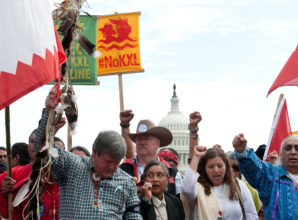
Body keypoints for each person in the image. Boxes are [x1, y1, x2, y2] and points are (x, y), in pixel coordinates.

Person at [30, 88, 142, 219]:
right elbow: (40, 147)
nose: (112, 168)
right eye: (108, 161)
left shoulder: (127, 181)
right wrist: (49, 114)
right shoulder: (71, 166)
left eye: (117, 163)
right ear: (94, 152)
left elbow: (133, 214)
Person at [232, 133, 298, 219]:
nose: (293, 152)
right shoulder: (270, 176)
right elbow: (255, 169)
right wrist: (243, 152)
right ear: (281, 154)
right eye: (288, 148)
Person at [182, 145, 258, 220]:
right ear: (204, 169)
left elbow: (251, 214)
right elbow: (187, 190)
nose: (216, 170)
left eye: (220, 166)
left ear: (226, 166)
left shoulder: (238, 185)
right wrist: (196, 157)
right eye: (211, 167)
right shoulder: (198, 188)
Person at [0, 133, 65, 220]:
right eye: (33, 141)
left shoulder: (70, 180)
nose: (38, 145)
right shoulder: (12, 175)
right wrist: (3, 195)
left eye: (54, 148)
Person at [119, 109, 180, 196]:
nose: (142, 142)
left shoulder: (172, 171)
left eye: (146, 139)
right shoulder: (123, 169)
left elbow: (179, 203)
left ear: (157, 144)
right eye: (139, 139)